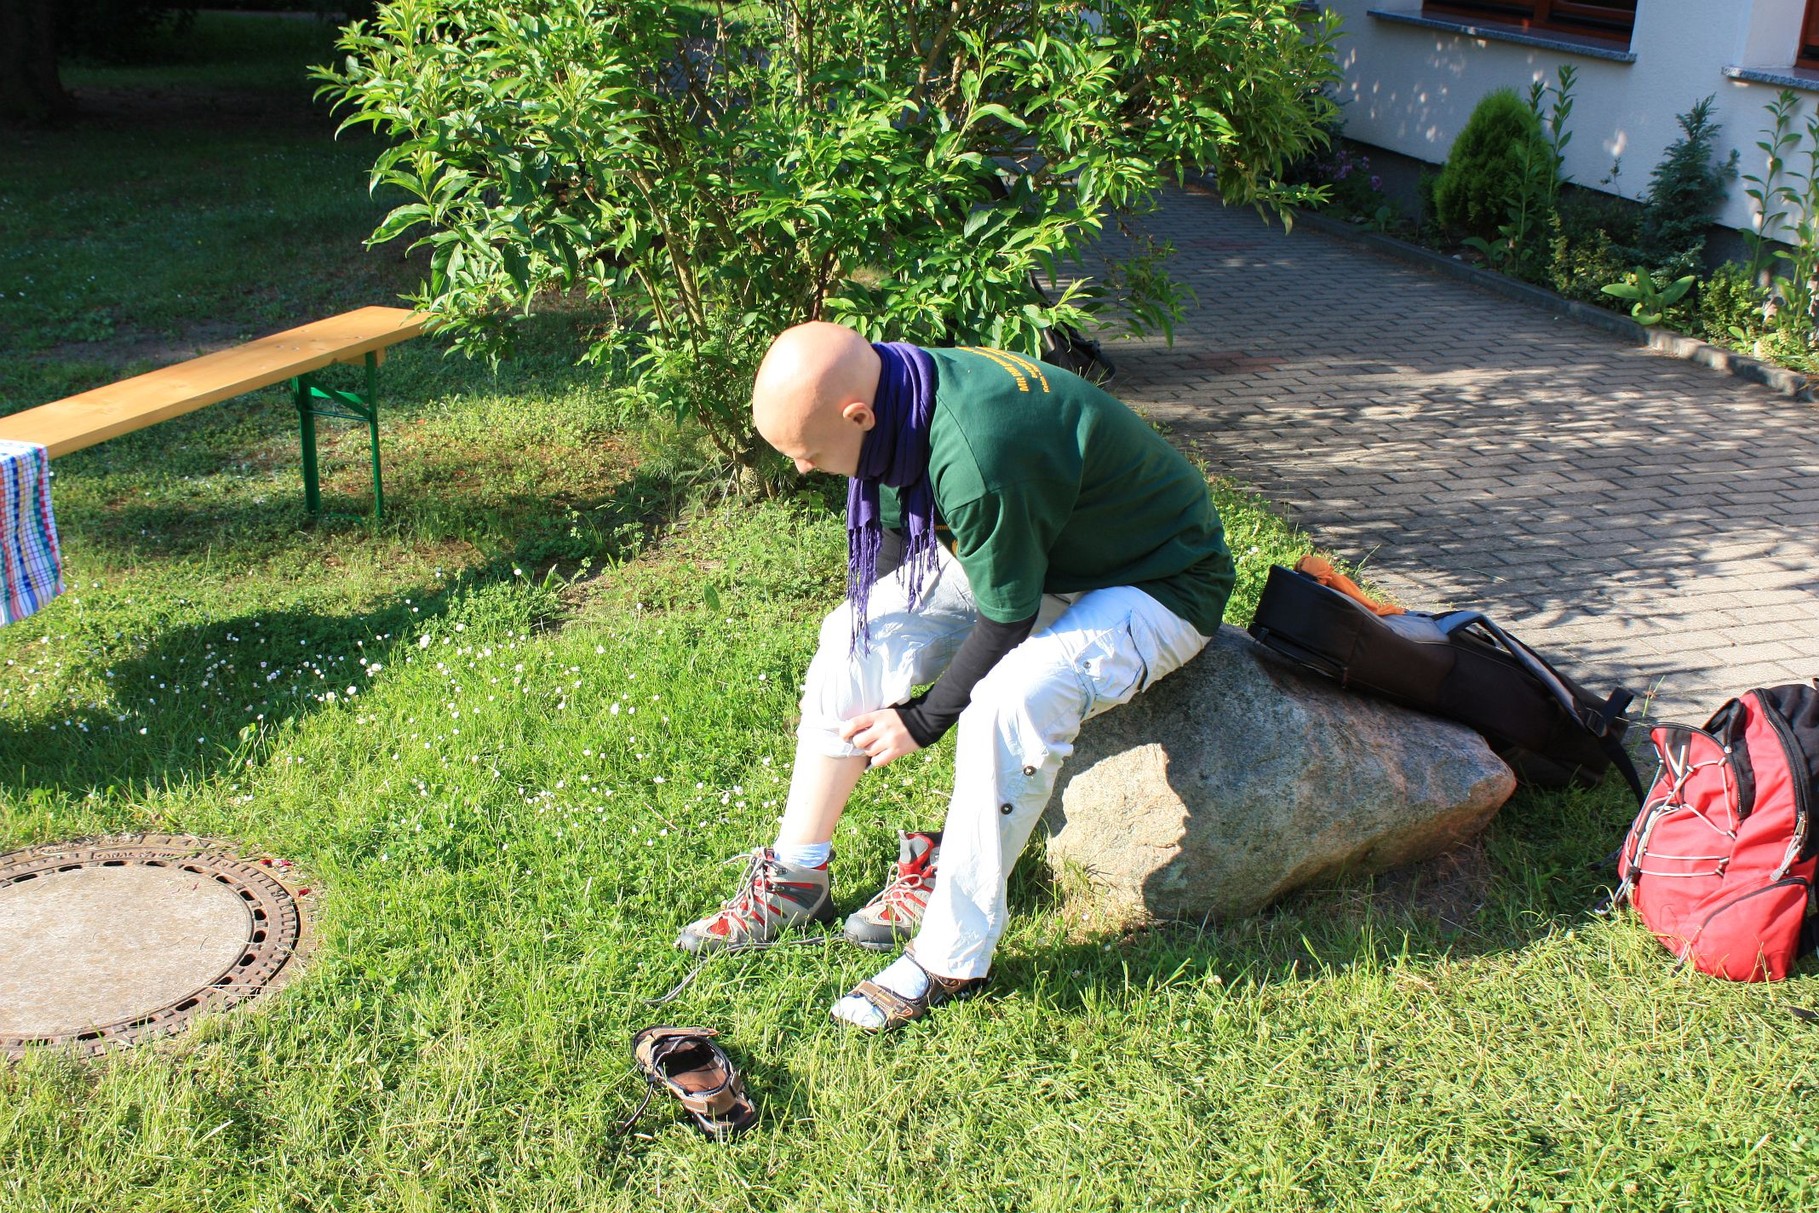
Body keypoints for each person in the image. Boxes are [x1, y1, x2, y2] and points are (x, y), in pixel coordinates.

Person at [676, 321, 1235, 1031]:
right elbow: (889, 543)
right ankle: (797, 873)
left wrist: (920, 718)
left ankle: (949, 956)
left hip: (1156, 580)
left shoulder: (977, 453)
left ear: (857, 416)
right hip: (1053, 550)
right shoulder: (900, 391)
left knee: (1005, 701)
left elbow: (1006, 617)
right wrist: (874, 634)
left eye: (808, 453)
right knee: (854, 634)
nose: (802, 470)